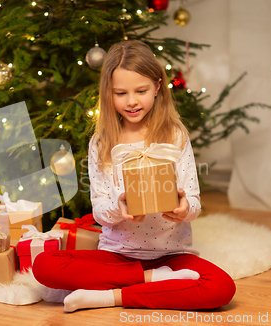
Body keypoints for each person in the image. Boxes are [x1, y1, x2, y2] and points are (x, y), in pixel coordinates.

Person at [32, 40, 236, 313]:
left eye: (141, 91)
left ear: (158, 87)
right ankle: (153, 281)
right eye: (120, 93)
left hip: (172, 255)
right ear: (108, 93)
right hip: (118, 255)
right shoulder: (102, 142)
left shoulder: (175, 135)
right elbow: (100, 213)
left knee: (221, 288)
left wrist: (185, 208)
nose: (131, 101)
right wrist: (119, 207)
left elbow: (194, 202)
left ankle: (110, 297)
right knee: (44, 265)